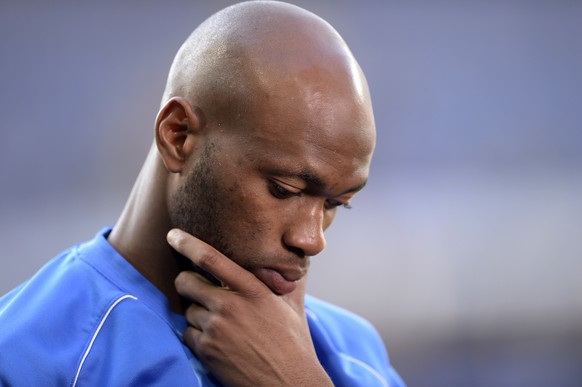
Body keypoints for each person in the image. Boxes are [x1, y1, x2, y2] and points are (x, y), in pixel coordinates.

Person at [0, 1, 405, 386]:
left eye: (336, 203)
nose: (312, 240)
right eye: (285, 190)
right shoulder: (25, 359)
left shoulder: (357, 353)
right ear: (177, 136)